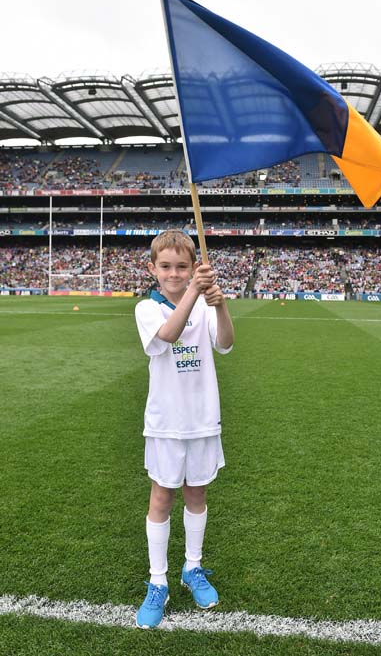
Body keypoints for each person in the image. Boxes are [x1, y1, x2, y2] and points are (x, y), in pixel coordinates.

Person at [134, 230, 234, 629]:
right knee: (162, 498)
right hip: (165, 423)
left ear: (193, 266)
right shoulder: (147, 308)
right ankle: (158, 582)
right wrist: (195, 291)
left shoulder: (205, 304)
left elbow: (225, 344)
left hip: (203, 419)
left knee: (197, 494)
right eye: (166, 267)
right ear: (153, 270)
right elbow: (169, 334)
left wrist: (221, 306)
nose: (173, 274)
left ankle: (192, 568)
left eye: (182, 266)